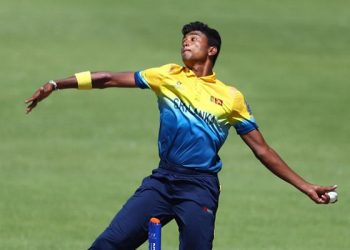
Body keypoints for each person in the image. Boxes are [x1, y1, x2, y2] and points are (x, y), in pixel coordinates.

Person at [25, 21, 337, 250]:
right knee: (106, 246)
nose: (185, 43)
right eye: (184, 39)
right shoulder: (168, 75)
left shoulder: (231, 97)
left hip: (199, 188)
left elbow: (263, 150)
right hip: (161, 182)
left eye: (193, 38)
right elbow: (107, 79)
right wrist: (56, 83)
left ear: (211, 49)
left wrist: (305, 186)